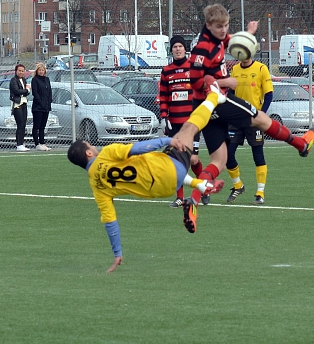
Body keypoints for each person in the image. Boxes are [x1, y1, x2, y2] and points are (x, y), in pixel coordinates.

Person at [67, 88, 229, 272]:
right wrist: (165, 141)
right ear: (89, 153)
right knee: (189, 128)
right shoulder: (107, 154)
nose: (93, 147)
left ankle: (200, 185)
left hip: (162, 190)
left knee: (168, 162)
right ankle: (215, 96)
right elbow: (138, 148)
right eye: (90, 146)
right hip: (167, 168)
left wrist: (117, 252)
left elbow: (110, 221)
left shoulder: (97, 188)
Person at [174, 4, 314, 206]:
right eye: (219, 26)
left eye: (226, 25)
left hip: (207, 107)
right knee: (261, 119)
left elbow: (231, 41)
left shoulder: (214, 36)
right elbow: (196, 83)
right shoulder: (202, 50)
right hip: (217, 100)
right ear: (208, 25)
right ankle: (301, 145)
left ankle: (195, 199)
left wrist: (249, 33)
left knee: (219, 161)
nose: (223, 30)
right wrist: (224, 82)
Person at [159, 34, 205, 208]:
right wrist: (164, 117)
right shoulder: (166, 71)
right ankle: (179, 197)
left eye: (180, 46)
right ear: (171, 50)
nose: (178, 49)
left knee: (193, 159)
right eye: (174, 47)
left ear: (185, 49)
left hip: (192, 122)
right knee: (177, 160)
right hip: (174, 123)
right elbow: (163, 96)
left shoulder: (193, 68)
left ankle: (203, 189)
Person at [225, 45, 273, 204]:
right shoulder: (235, 70)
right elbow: (230, 94)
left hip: (255, 120)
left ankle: (260, 192)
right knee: (228, 154)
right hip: (237, 119)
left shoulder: (261, 69)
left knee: (257, 154)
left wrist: (262, 114)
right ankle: (238, 185)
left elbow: (269, 94)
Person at [31, 62, 52, 151]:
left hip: (46, 107)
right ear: (37, 71)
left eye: (42, 70)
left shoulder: (47, 79)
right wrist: (40, 102)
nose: (41, 71)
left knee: (43, 126)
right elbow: (35, 92)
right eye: (39, 70)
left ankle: (42, 143)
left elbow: (49, 91)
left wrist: (49, 101)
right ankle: (37, 143)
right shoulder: (35, 80)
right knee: (37, 126)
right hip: (38, 107)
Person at [10, 64, 30, 152]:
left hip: (24, 103)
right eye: (19, 70)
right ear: (16, 71)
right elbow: (17, 91)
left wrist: (26, 91)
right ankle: (19, 144)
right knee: (20, 124)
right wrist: (26, 90)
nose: (21, 72)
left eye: (22, 71)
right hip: (17, 104)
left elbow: (26, 93)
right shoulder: (13, 80)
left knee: (24, 124)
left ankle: (22, 143)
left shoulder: (24, 80)